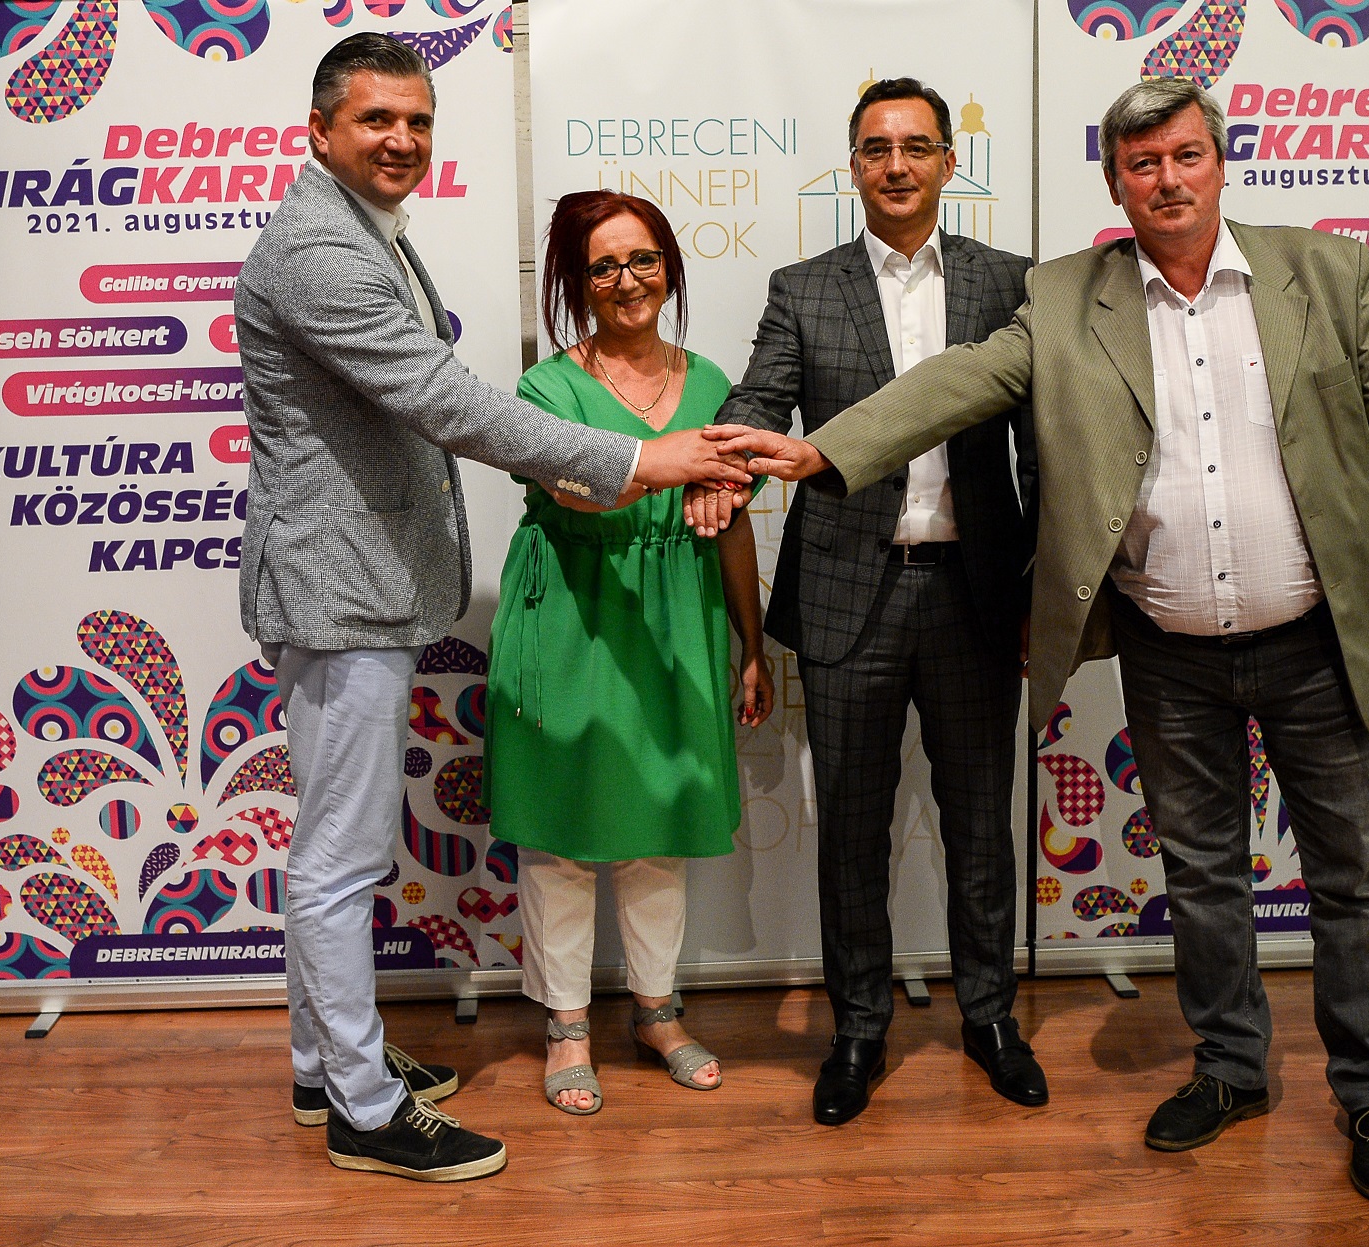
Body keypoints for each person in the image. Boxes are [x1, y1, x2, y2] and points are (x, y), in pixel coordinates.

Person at [708, 77, 1369, 1203]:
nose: (1167, 180)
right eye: (1141, 163)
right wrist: (825, 452)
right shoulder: (1066, 295)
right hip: (1167, 642)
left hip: (1311, 632)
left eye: (1185, 156)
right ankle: (1230, 1068)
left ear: (1219, 162)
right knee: (1201, 875)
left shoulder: (1324, 270)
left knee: (1353, 878)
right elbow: (963, 382)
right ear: (1114, 183)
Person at [236, 35, 748, 1182]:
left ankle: (326, 1064)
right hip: (342, 591)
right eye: (375, 119)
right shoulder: (320, 249)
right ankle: (361, 1106)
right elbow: (444, 400)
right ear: (319, 131)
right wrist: (643, 460)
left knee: (336, 851)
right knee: (338, 861)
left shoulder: (366, 231)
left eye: (417, 120)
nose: (401, 139)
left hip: (362, 585)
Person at [698, 78, 1043, 1127]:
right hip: (849, 593)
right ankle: (856, 1027)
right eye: (876, 148)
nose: (896, 165)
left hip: (976, 594)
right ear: (851, 166)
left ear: (948, 162)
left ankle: (990, 1016)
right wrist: (721, 462)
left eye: (917, 146)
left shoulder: (1011, 281)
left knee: (980, 822)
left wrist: (1040, 582)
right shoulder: (804, 288)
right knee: (849, 825)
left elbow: (1045, 444)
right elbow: (760, 399)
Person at [486, 190, 772, 1115]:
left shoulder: (712, 381)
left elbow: (731, 522)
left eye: (642, 259)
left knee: (661, 822)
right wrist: (665, 464)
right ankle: (566, 1025)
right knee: (561, 832)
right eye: (602, 266)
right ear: (576, 283)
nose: (626, 280)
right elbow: (577, 491)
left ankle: (657, 1011)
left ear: (669, 268)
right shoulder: (546, 387)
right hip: (571, 612)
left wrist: (751, 641)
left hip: (679, 615)